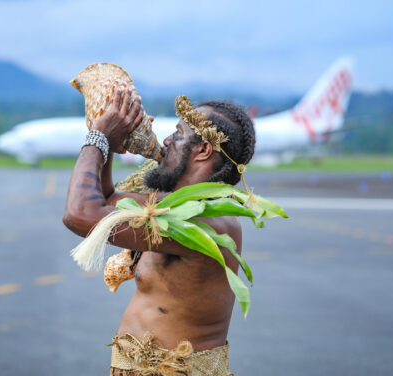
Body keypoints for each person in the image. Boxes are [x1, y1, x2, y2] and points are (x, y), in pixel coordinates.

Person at [63, 87, 255, 376]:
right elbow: (104, 202)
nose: (167, 140)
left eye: (178, 134)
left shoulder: (206, 221)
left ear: (203, 150)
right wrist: (111, 146)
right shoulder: (175, 206)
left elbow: (80, 215)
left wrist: (97, 137)